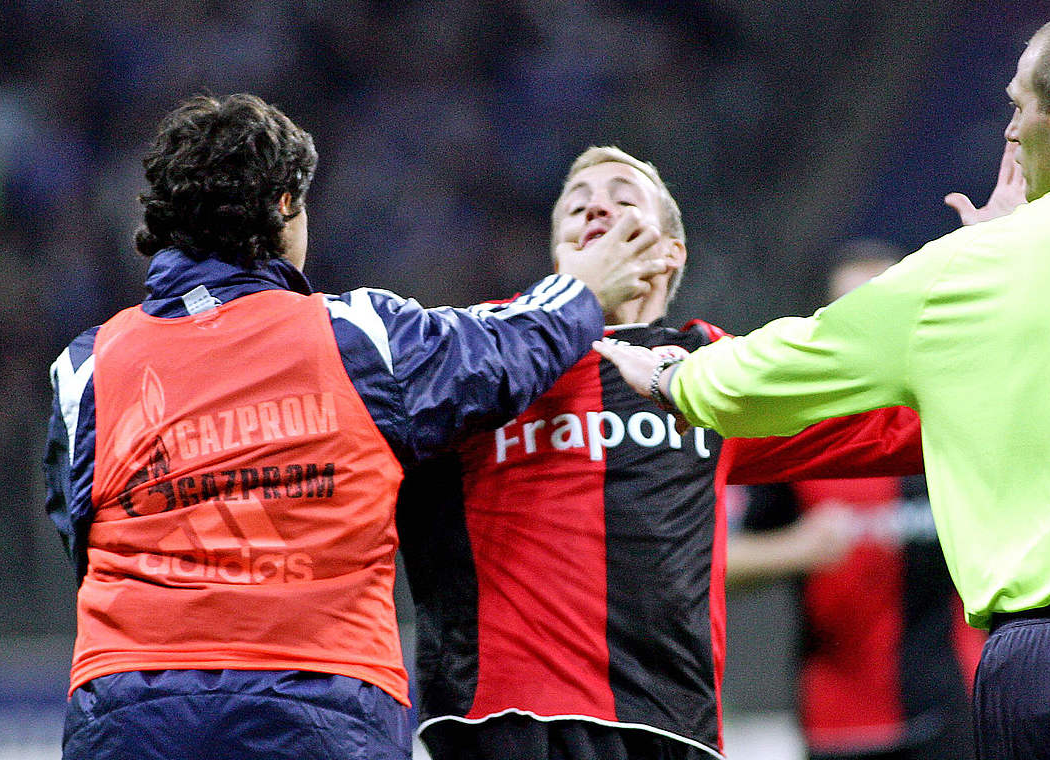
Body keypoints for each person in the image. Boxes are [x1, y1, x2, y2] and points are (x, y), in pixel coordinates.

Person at [597, 6, 1050, 758]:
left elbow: (770, 373)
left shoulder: (962, 272)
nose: (1010, 132)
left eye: (1017, 106)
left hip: (1037, 676)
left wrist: (673, 376)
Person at [41, 94, 669, 760]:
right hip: (318, 702)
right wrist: (582, 290)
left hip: (129, 707)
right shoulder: (358, 339)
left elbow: (78, 537)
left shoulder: (86, 368)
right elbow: (504, 352)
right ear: (286, 206)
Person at [397, 146, 929, 760]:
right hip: (500, 725)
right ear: (560, 252)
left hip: (666, 730)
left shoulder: (713, 371)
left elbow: (904, 426)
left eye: (624, 198)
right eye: (577, 205)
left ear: (671, 252)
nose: (597, 205)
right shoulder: (474, 351)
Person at [726, 245, 983, 760]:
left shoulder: (956, 423)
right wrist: (795, 548)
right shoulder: (798, 436)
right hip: (838, 724)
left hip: (958, 710)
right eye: (852, 312)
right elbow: (711, 559)